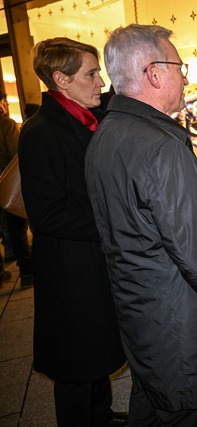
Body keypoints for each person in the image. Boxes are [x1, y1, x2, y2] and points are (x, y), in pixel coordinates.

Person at [85, 24, 197, 426]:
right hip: (176, 318)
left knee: (152, 403)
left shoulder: (107, 132)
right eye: (179, 66)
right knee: (182, 409)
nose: (185, 75)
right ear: (153, 73)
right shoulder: (162, 147)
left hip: (140, 310)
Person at [18, 37, 127, 426]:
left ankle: (101, 414)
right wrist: (114, 223)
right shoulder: (41, 131)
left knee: (94, 352)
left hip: (92, 261)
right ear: (61, 80)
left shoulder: (86, 118)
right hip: (70, 270)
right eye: (92, 74)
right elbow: (46, 214)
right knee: (77, 362)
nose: (101, 82)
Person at [0, 89, 31, 285]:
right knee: (16, 227)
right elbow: (16, 154)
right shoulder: (6, 125)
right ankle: (26, 271)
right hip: (5, 185)